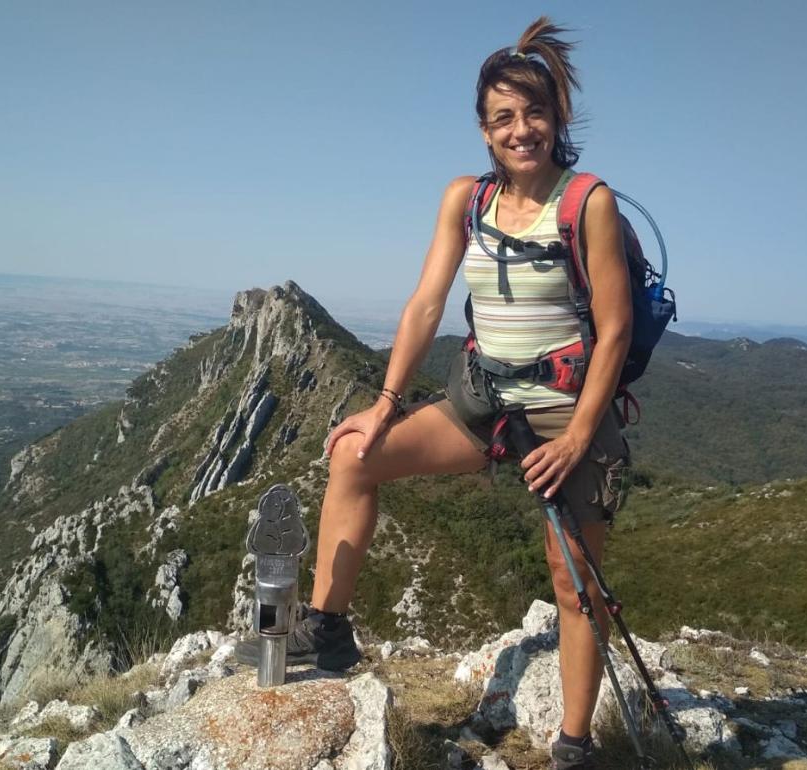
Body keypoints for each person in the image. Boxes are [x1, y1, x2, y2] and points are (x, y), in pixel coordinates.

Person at [236, 17, 632, 769]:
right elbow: (425, 305)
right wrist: (385, 404)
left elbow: (613, 332)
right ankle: (328, 627)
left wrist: (580, 439)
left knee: (573, 582)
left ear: (559, 118)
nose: (522, 131)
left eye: (534, 113)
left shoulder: (588, 204)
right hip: (481, 405)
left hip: (564, 418)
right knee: (355, 456)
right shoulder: (467, 200)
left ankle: (574, 746)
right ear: (484, 132)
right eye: (504, 118)